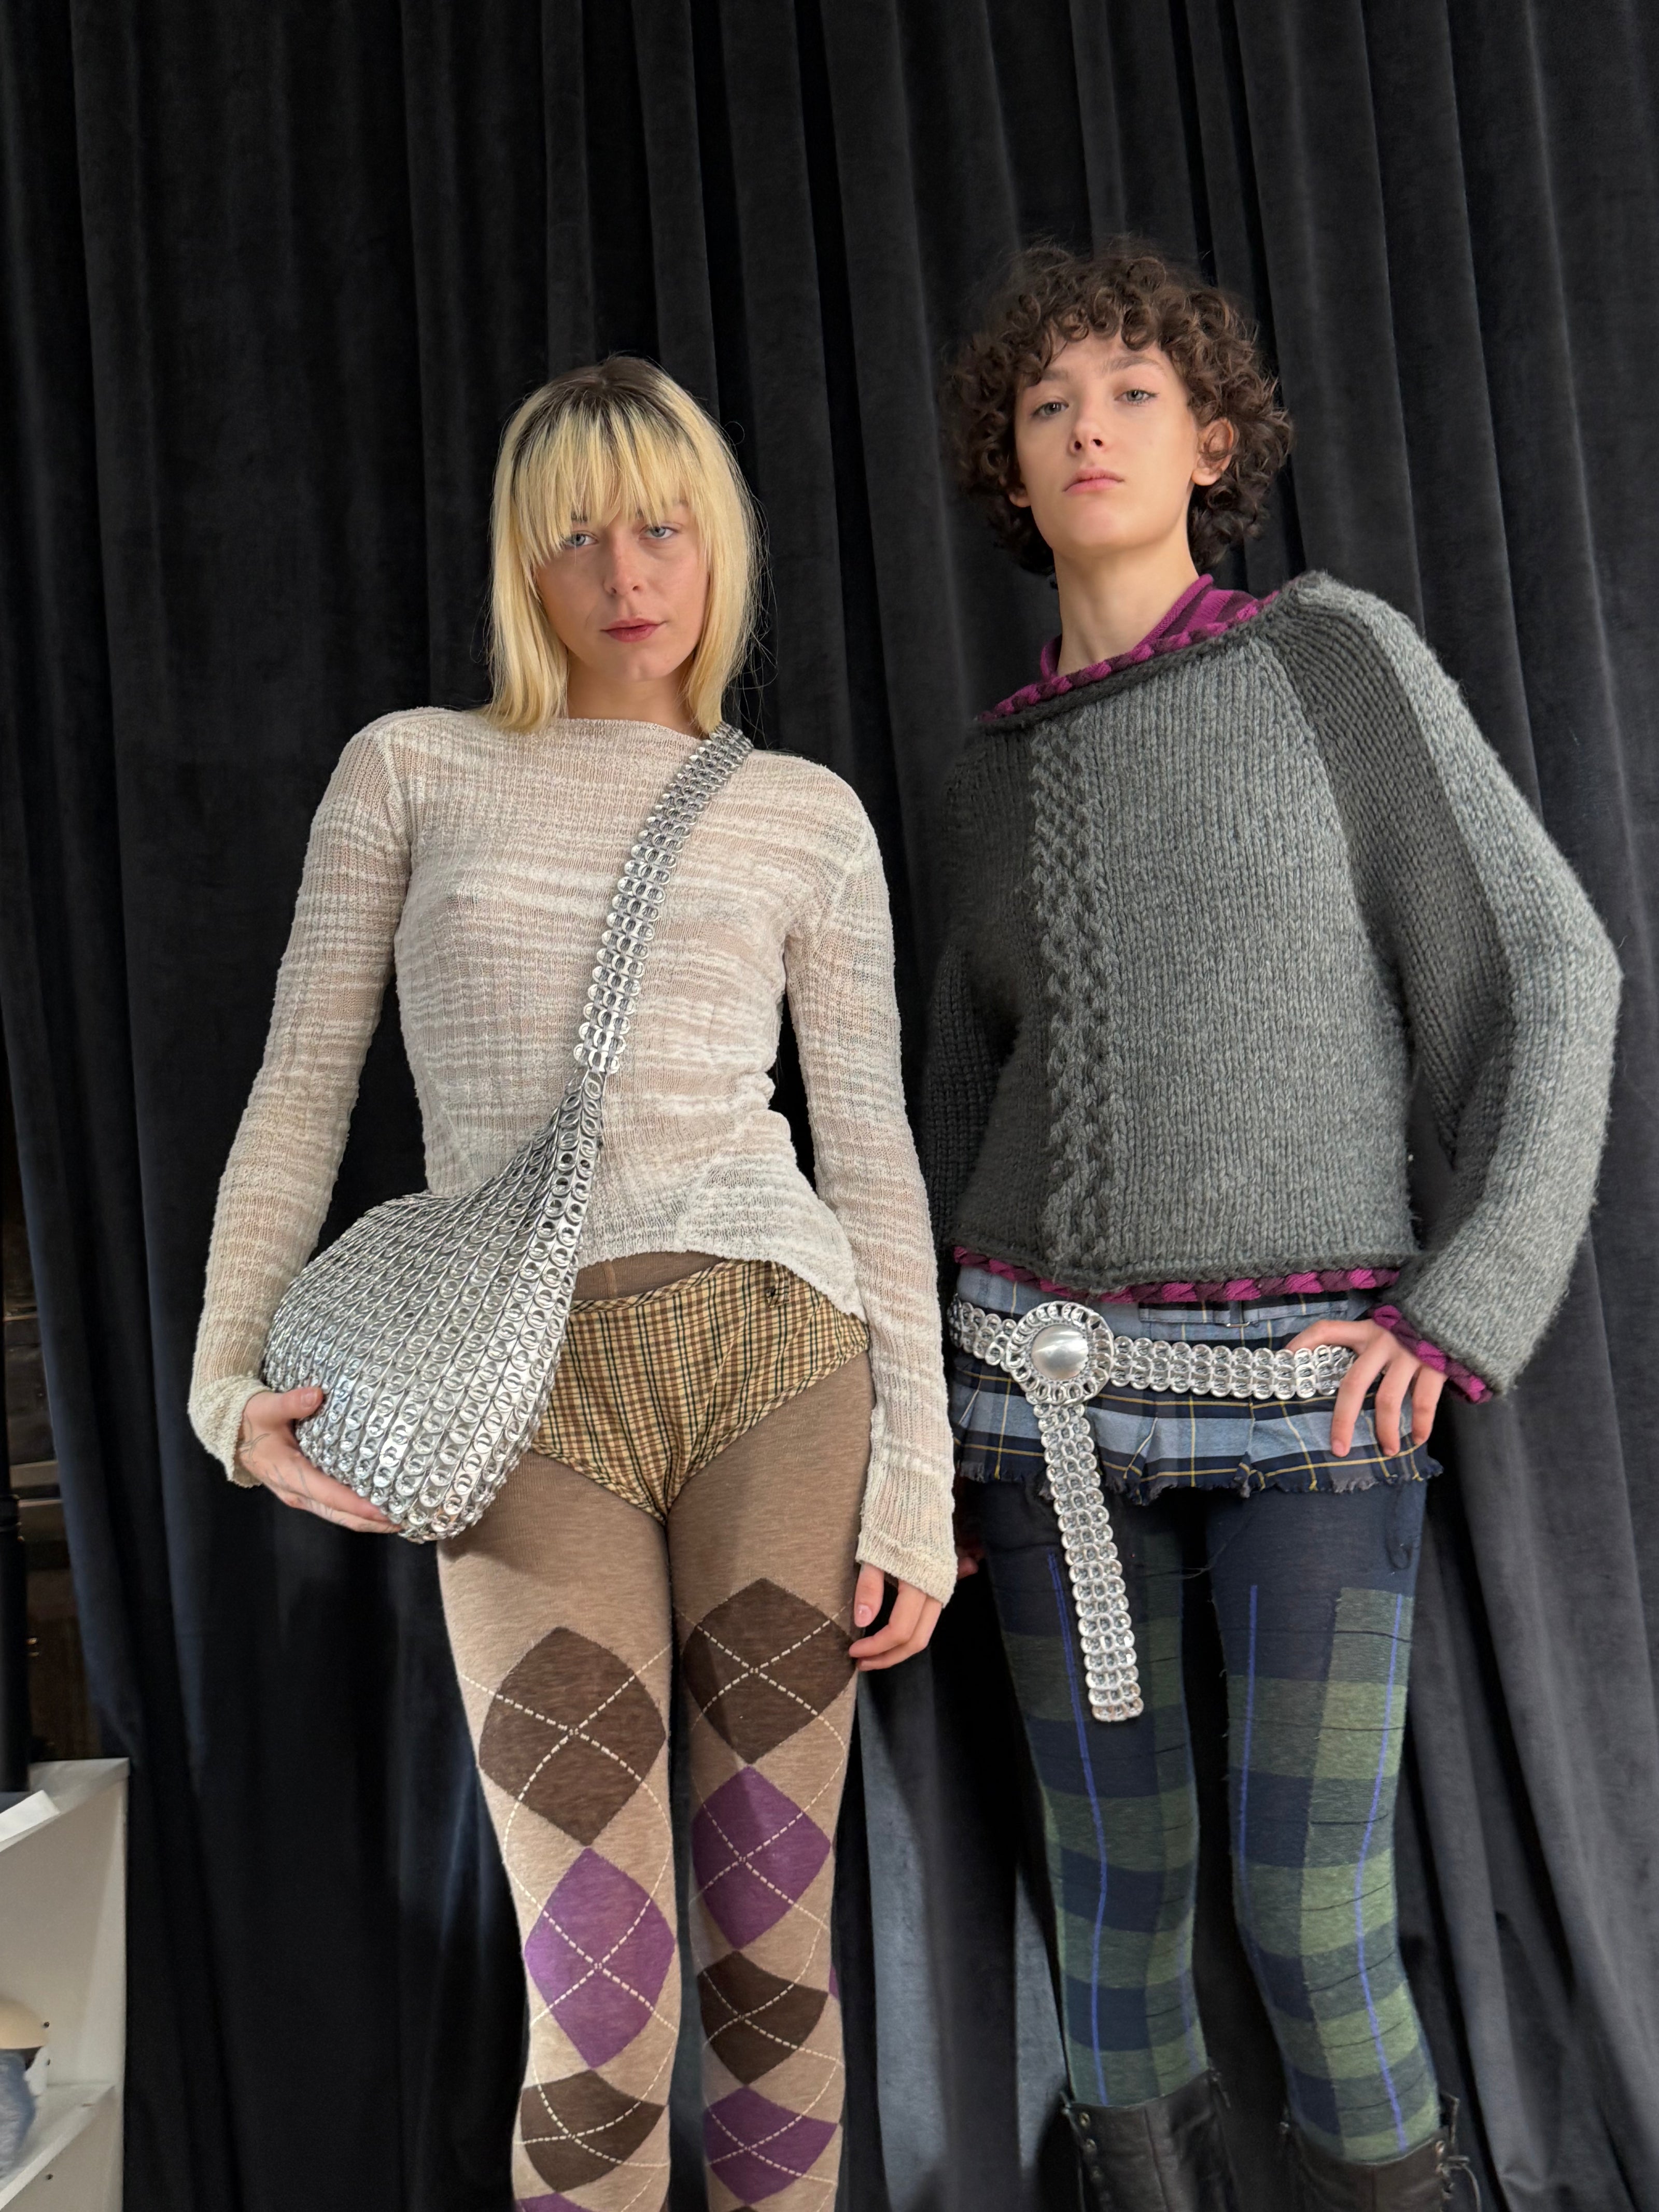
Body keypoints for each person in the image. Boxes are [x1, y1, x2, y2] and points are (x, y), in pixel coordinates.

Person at [189, 356, 957, 2211]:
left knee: (776, 1970)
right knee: (599, 2004)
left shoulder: (802, 812)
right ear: (519, 564)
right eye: (579, 535)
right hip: (515, 1390)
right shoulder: (412, 767)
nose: (629, 572)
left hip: (780, 1358)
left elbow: (872, 1151)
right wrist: (224, 1386)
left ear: (721, 544)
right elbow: (300, 1086)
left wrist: (920, 1485)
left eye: (665, 525)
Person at [925, 243, 1619, 2211]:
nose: (1090, 428)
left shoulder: (1332, 661)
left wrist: (1459, 1310)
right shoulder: (982, 778)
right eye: (1048, 403)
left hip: (1310, 1404)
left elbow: (1552, 970)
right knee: (1110, 1911)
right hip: (1041, 1411)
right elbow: (943, 1113)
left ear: (1214, 440)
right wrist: (911, 1433)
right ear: (1009, 465)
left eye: (1135, 393)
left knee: (1315, 1917)